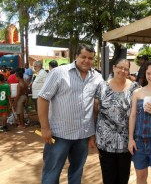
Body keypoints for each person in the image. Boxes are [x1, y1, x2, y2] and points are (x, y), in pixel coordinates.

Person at [37, 43, 103, 184]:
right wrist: (44, 127)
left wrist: (92, 134)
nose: (86, 60)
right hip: (59, 135)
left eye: (90, 58)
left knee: (76, 172)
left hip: (82, 136)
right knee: (51, 172)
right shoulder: (59, 73)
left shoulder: (97, 78)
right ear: (76, 56)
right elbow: (43, 99)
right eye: (83, 57)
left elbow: (97, 105)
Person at [94, 58, 139, 184]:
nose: (122, 71)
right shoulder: (102, 86)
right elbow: (95, 110)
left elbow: (139, 111)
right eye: (120, 67)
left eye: (126, 69)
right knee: (108, 176)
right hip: (105, 141)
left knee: (123, 176)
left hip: (126, 141)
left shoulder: (135, 88)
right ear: (114, 67)